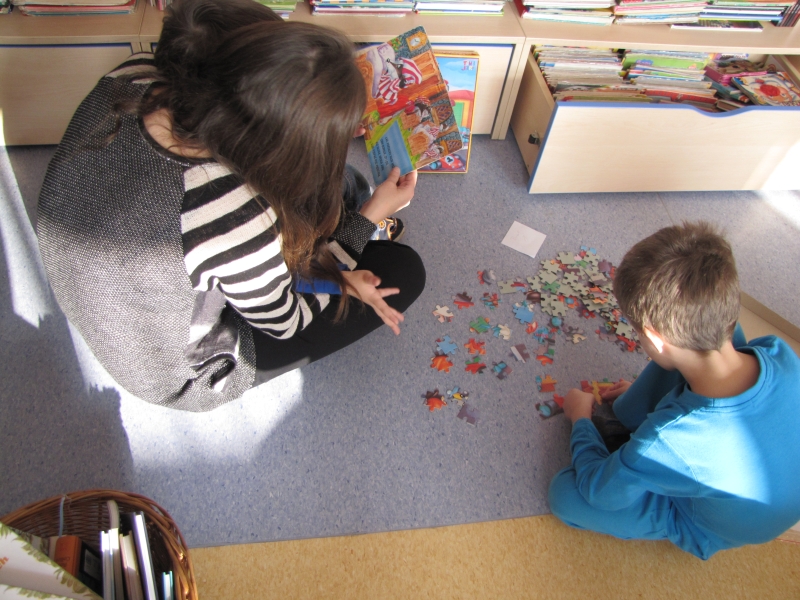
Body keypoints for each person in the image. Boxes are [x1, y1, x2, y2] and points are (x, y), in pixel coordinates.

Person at [36, 0, 425, 412]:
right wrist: (367, 220)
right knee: (404, 270)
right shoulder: (230, 213)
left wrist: (318, 136)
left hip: (106, 297)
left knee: (344, 184)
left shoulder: (135, 74)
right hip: (177, 372)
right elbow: (286, 321)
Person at [548, 221, 800, 559]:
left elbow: (600, 492)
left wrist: (580, 419)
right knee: (708, 340)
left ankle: (630, 443)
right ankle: (631, 413)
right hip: (766, 493)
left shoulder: (668, 438)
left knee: (565, 494)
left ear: (653, 338)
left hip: (706, 524)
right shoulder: (779, 352)